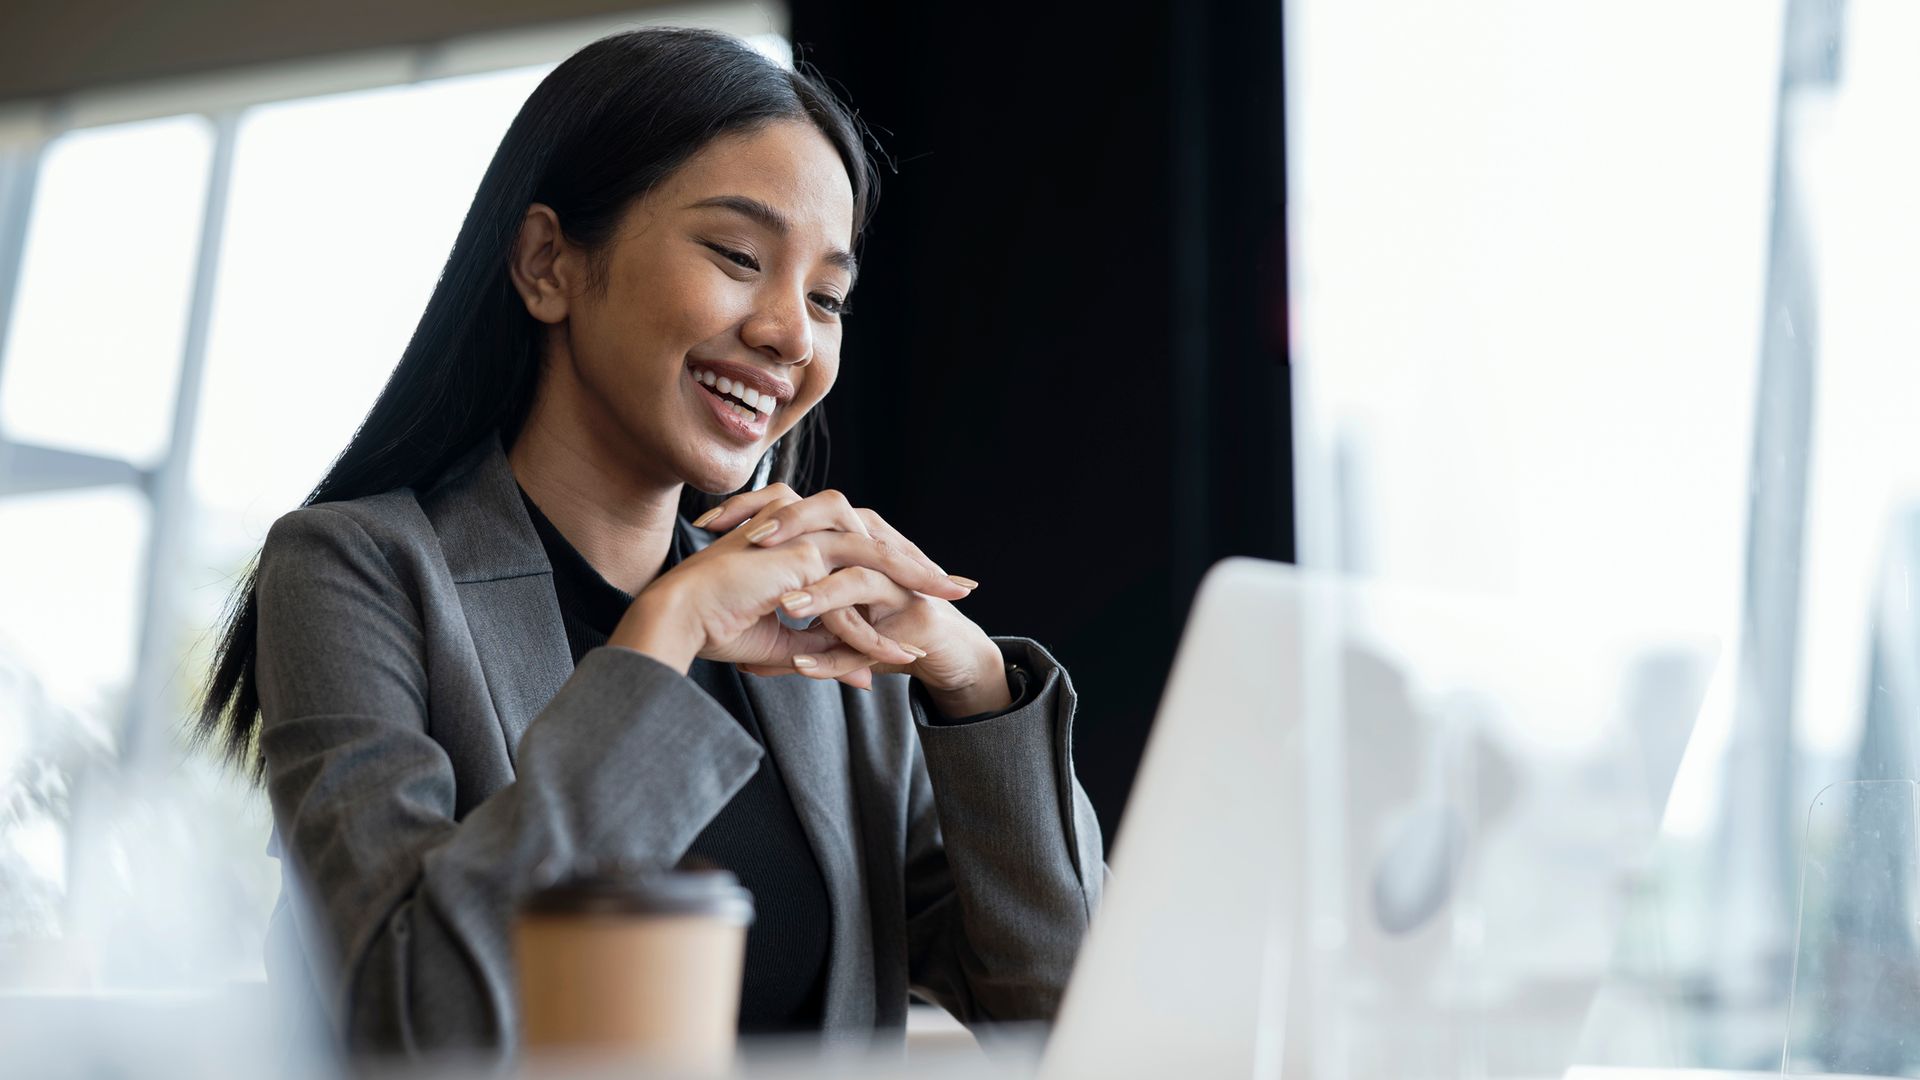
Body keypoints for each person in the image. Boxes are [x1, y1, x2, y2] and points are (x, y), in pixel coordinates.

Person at [193, 26, 1105, 1061]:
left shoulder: (818, 636)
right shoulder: (354, 571)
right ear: (549, 265)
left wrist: (975, 684)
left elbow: (1080, 1013)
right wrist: (661, 639)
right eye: (737, 256)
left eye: (826, 298)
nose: (790, 336)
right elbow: (415, 1021)